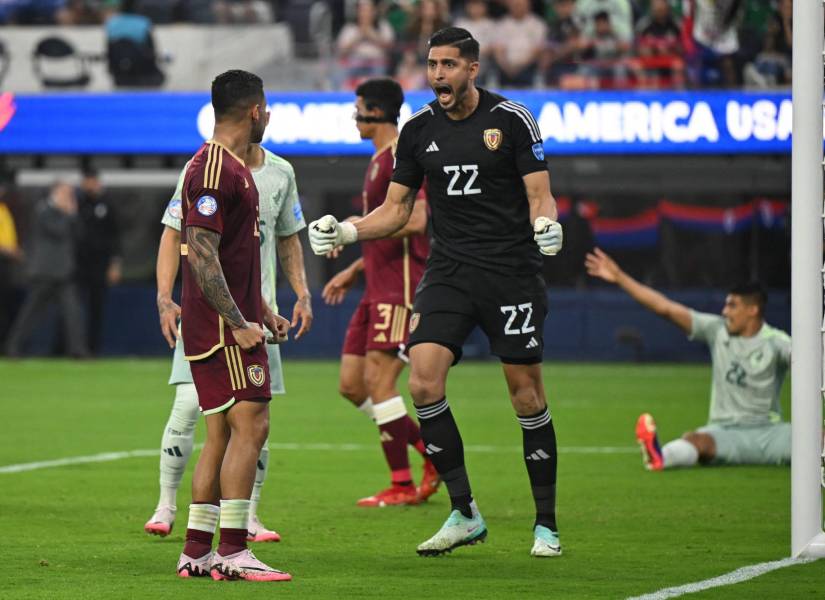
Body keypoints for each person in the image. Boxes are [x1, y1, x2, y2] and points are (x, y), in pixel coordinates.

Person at [309, 27, 564, 558]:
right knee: (423, 384)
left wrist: (547, 225)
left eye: (448, 65)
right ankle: (464, 512)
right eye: (432, 65)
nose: (438, 75)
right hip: (448, 273)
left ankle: (546, 525)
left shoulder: (511, 120)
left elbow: (539, 195)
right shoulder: (418, 129)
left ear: (472, 68)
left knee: (526, 395)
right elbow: (396, 210)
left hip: (510, 273)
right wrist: (348, 231)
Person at [144, 140, 311, 542]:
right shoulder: (203, 169)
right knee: (191, 407)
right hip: (210, 316)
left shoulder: (280, 172)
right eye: (263, 111)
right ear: (253, 113)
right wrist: (164, 297)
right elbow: (174, 233)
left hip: (257, 316)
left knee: (251, 420)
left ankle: (242, 520)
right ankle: (167, 504)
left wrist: (301, 294)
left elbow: (288, 237)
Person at [174, 70, 291, 582]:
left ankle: (197, 551)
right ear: (255, 111)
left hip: (228, 320)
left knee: (220, 433)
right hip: (224, 329)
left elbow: (232, 256)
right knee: (253, 423)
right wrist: (240, 322)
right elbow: (200, 254)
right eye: (267, 108)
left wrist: (261, 309)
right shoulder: (214, 169)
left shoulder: (230, 167)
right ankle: (235, 551)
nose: (268, 115)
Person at [320, 77, 438, 507]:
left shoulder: (402, 156)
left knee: (380, 381)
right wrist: (356, 268)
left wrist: (354, 228)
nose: (355, 117)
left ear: (377, 111)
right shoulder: (378, 159)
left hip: (402, 285)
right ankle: (430, 451)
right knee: (352, 385)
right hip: (376, 284)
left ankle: (402, 484)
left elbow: (418, 220)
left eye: (359, 109)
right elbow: (382, 229)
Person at [584, 248, 791, 470]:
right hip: (725, 432)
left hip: (769, 433)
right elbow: (666, 308)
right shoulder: (717, 330)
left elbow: (810, 366)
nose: (725, 312)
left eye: (732, 305)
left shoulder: (776, 341)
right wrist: (619, 277)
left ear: (752, 310)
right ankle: (659, 457)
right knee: (696, 440)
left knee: (812, 437)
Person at [5, 181, 88, 358]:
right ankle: (13, 346)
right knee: (31, 314)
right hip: (45, 272)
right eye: (65, 192)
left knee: (73, 313)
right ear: (55, 192)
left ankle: (77, 350)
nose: (69, 197)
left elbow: (80, 235)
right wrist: (69, 214)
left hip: (64, 272)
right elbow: (58, 230)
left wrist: (73, 215)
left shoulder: (67, 213)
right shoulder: (43, 210)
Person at [74, 167, 122, 356]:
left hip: (100, 265)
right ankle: (70, 347)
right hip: (78, 265)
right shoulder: (77, 203)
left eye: (92, 180)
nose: (89, 185)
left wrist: (115, 265)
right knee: (74, 308)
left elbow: (116, 237)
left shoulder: (108, 204)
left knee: (96, 308)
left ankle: (93, 348)